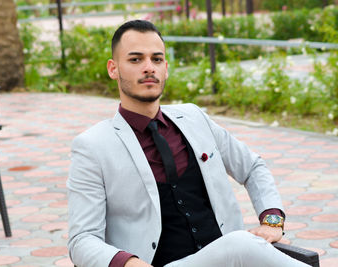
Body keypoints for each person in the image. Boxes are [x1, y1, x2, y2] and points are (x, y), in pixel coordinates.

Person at [67, 20, 309, 267]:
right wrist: (129, 263)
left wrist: (272, 220)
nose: (149, 68)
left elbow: (252, 166)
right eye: (136, 59)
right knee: (242, 244)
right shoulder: (92, 146)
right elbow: (82, 239)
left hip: (228, 259)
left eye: (157, 59)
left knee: (242, 246)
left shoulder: (194, 117)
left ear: (166, 68)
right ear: (113, 68)